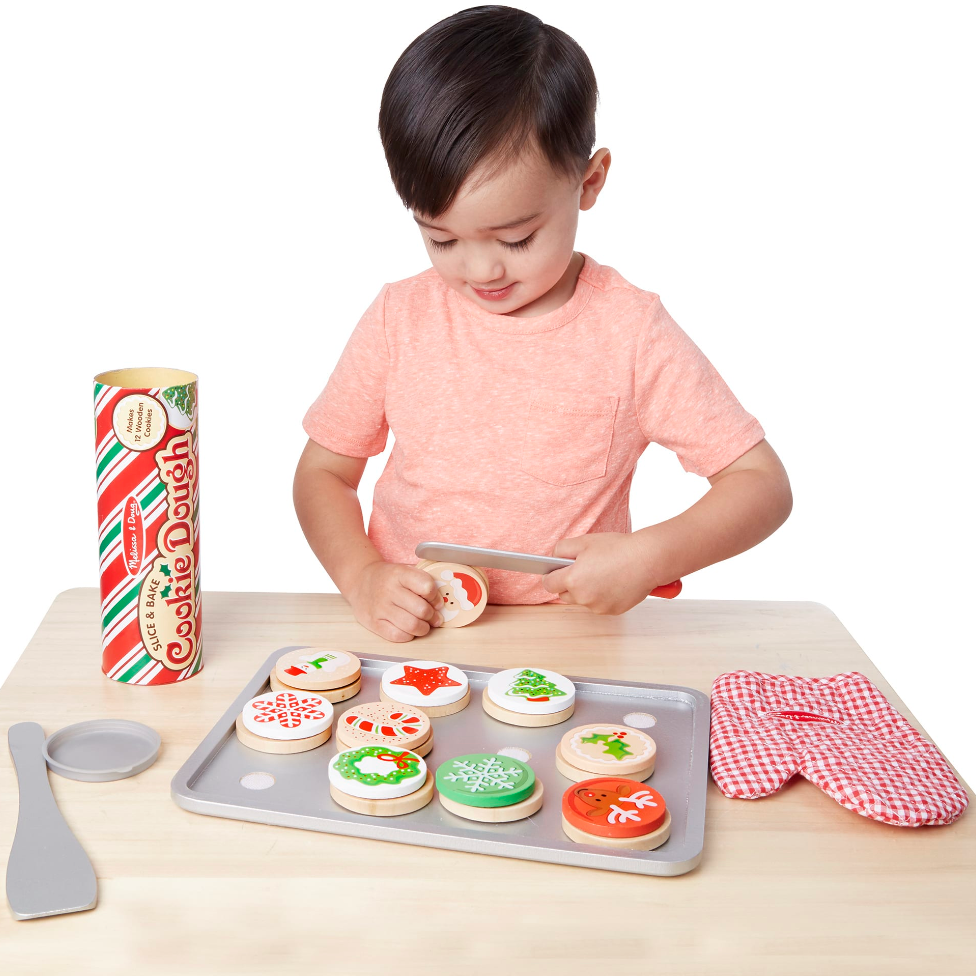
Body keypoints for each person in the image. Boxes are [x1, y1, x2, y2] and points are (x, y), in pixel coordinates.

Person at [294, 6, 792, 643]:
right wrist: (362, 577)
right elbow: (324, 474)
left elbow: (760, 485)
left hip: (570, 643)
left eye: (518, 238)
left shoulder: (631, 332)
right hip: (408, 632)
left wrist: (652, 556)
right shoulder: (400, 318)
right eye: (440, 239)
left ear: (589, 181)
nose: (480, 270)